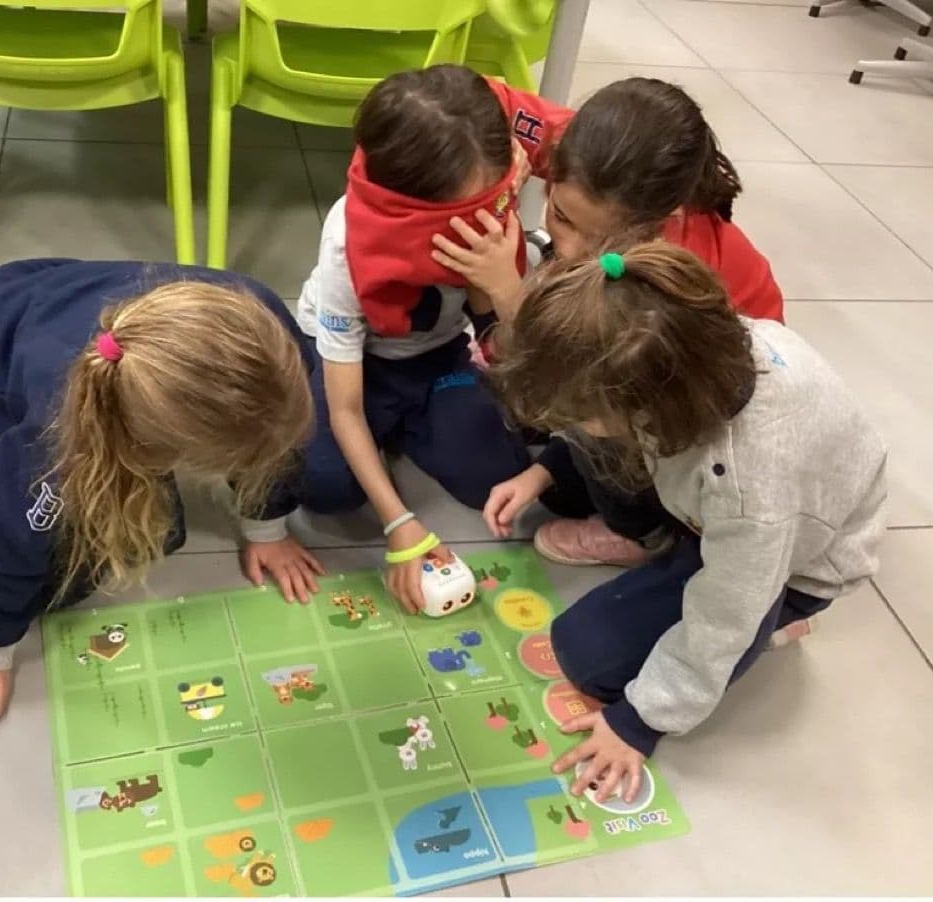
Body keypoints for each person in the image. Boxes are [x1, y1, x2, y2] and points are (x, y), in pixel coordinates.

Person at [488, 243, 886, 801]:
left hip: (794, 561)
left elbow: (724, 619)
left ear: (647, 409)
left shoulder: (751, 491)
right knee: (596, 452)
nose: (574, 423)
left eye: (582, 413)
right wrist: (548, 470)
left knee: (585, 651)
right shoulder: (688, 347)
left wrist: (638, 721)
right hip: (725, 509)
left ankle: (785, 614)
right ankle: (677, 550)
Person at [0, 258, 322, 745]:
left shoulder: (264, 325)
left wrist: (267, 527)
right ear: (150, 446)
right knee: (59, 577)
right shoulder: (59, 440)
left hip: (36, 304)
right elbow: (1, 539)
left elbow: (271, 431)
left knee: (152, 521)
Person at [433, 76, 786, 568]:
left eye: (601, 239)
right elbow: (476, 95)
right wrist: (503, 155)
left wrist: (507, 293)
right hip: (635, 345)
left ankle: (639, 533)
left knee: (582, 411)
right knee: (532, 430)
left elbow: (581, 369)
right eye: (560, 214)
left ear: (666, 217)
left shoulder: (674, 271)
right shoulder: (581, 149)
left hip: (700, 407)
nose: (572, 248)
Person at [296, 64, 571, 612]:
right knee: (325, 487)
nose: (482, 219)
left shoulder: (493, 206)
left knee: (496, 474)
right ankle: (394, 429)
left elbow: (527, 352)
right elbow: (346, 408)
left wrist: (504, 286)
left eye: (494, 199)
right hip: (355, 363)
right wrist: (399, 523)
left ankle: (405, 426)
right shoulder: (348, 243)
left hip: (437, 352)